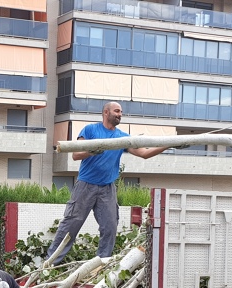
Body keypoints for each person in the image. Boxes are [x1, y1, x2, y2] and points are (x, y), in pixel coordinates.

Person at [46, 101, 171, 265]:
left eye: (121, 112)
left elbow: (144, 154)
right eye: (117, 111)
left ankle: (101, 264)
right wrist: (92, 151)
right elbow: (76, 154)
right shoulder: (90, 130)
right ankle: (50, 264)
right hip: (85, 186)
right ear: (106, 112)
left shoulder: (123, 138)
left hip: (107, 188)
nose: (120, 114)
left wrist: (168, 145)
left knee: (110, 227)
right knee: (71, 225)